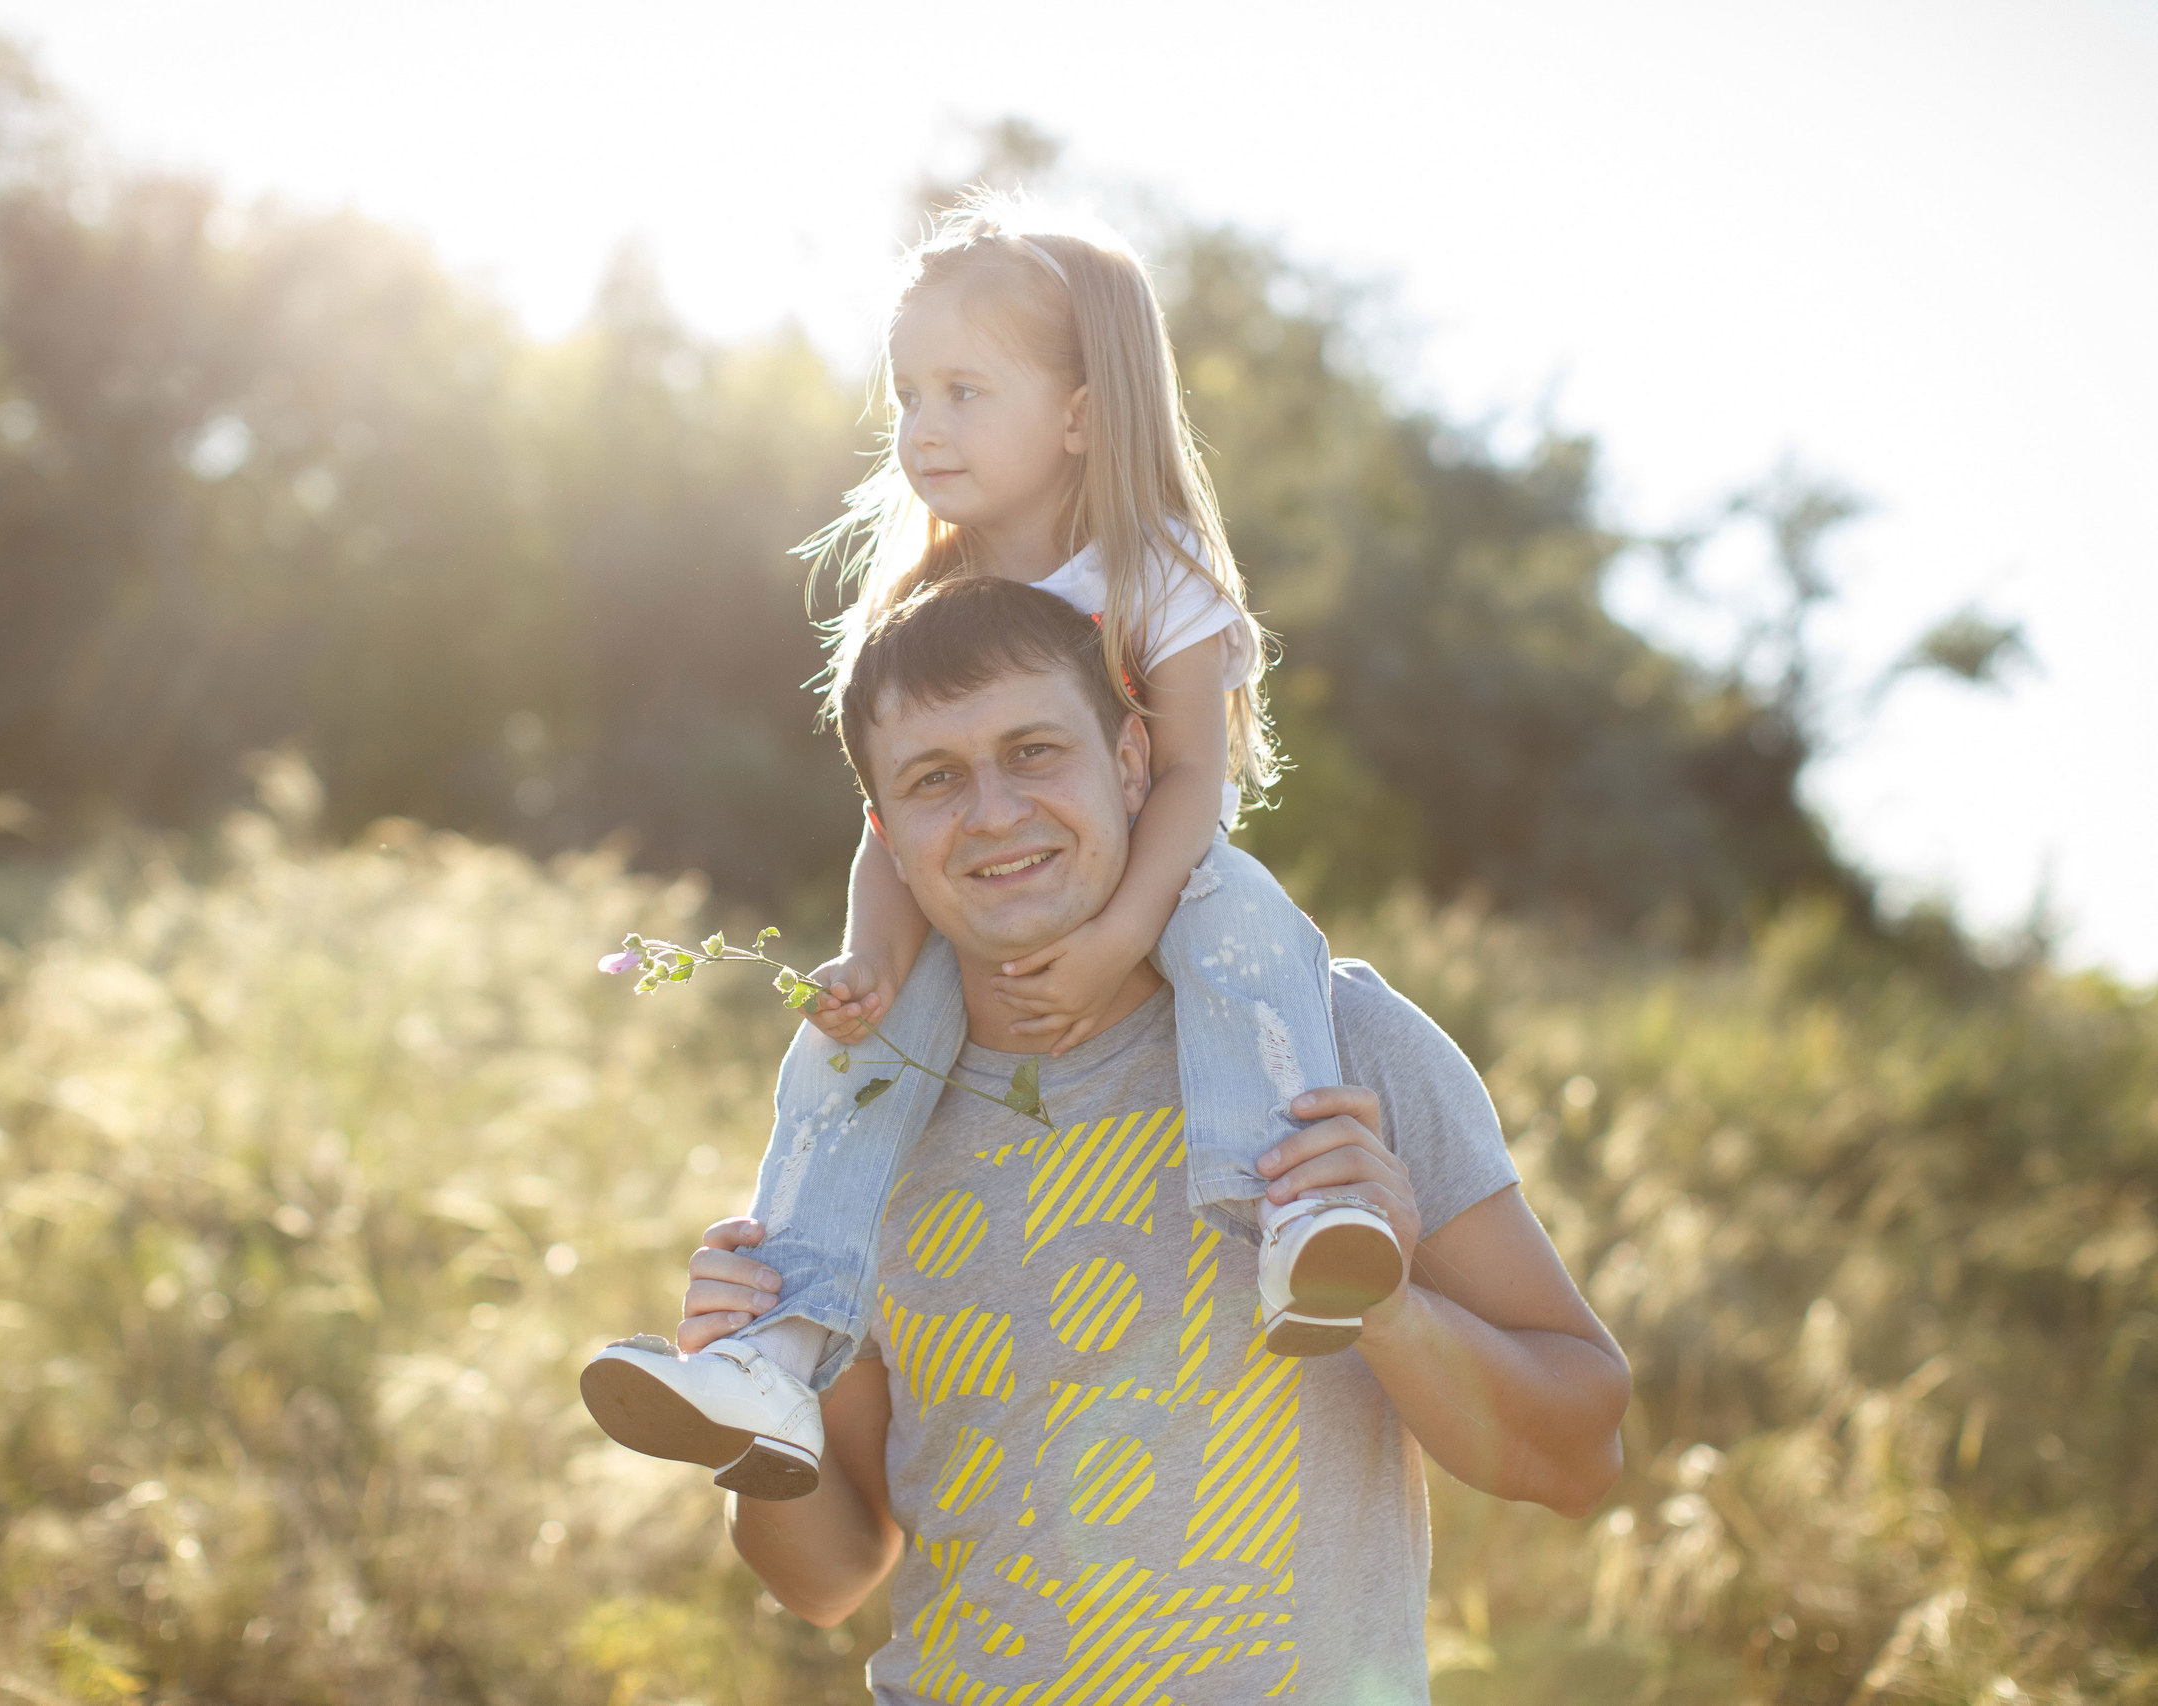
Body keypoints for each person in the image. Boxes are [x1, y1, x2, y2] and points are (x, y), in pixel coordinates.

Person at [603, 578, 1630, 1703]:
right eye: (935, 779)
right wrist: (750, 1426)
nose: (992, 812)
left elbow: (1581, 1454)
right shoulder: (864, 1123)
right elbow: (834, 1575)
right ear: (885, 837)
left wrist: (1389, 1307)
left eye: (1034, 751)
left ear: (1134, 763)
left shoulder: (1329, 1049)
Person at [582, 199, 1394, 1502]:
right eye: (908, 395)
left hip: (1158, 876)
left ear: (1075, 412)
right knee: (852, 1052)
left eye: (965, 390)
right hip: (983, 908)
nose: (924, 427)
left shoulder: (1151, 569)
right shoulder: (921, 605)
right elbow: (887, 835)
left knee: (1248, 929)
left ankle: (1297, 1219)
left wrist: (1123, 931)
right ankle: (778, 1350)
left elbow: (1191, 778)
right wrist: (872, 962)